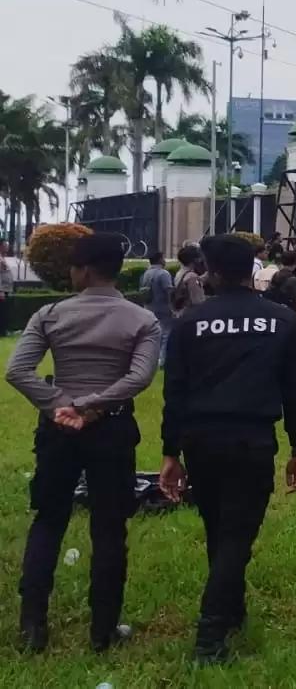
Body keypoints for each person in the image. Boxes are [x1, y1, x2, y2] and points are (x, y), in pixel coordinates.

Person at [158, 234, 296, 663]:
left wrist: (170, 453)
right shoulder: (282, 321)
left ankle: (231, 610)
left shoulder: (190, 322)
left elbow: (176, 393)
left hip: (201, 442)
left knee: (219, 528)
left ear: (216, 273)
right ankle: (210, 638)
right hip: (252, 441)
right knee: (236, 536)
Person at [6, 233, 161, 653]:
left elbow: (17, 371)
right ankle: (104, 631)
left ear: (85, 270)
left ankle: (33, 627)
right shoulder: (141, 320)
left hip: (57, 430)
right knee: (110, 528)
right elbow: (140, 377)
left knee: (48, 522)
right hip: (111, 430)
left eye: (73, 267)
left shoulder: (51, 313)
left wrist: (63, 405)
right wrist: (93, 405)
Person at [140, 252, 176, 366]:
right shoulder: (163, 273)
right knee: (166, 334)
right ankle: (163, 360)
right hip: (162, 307)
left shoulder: (146, 273)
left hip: (148, 307)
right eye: (163, 258)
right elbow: (169, 291)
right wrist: (172, 308)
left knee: (153, 334)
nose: (165, 260)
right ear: (160, 260)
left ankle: (151, 359)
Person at [0, 240, 14, 337]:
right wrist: (0, 290)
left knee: (5, 312)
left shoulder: (3, 258)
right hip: (2, 290)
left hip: (7, 289)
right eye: (5, 246)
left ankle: (4, 330)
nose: (7, 248)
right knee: (2, 312)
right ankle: (2, 331)